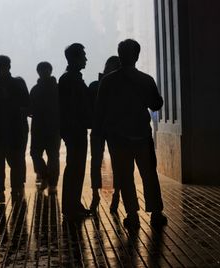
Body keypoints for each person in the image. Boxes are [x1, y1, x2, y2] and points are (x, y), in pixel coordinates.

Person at [94, 39, 168, 228]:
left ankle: (132, 215)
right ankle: (156, 213)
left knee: (125, 176)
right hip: (142, 135)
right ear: (136, 56)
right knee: (149, 174)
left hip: (118, 138)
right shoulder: (145, 79)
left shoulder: (108, 81)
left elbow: (100, 109)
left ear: (120, 55)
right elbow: (156, 104)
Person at [0, 55, 29, 203]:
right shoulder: (19, 84)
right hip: (17, 128)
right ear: (9, 66)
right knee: (16, 161)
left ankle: (0, 191)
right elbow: (27, 103)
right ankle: (16, 189)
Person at [59, 43, 91, 220]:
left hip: (73, 128)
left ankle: (72, 204)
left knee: (75, 167)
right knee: (75, 167)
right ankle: (71, 205)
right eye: (83, 55)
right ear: (75, 58)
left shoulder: (70, 78)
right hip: (75, 129)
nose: (86, 59)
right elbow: (73, 107)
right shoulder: (71, 80)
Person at [88, 56, 121, 213]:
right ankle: (115, 195)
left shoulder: (95, 85)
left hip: (98, 127)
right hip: (114, 128)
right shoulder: (121, 85)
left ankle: (96, 195)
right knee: (116, 162)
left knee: (96, 163)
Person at [29, 62, 60, 195]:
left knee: (35, 153)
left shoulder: (35, 89)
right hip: (54, 126)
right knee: (53, 155)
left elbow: (30, 108)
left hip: (38, 126)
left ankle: (43, 174)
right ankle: (52, 183)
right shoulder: (57, 88)